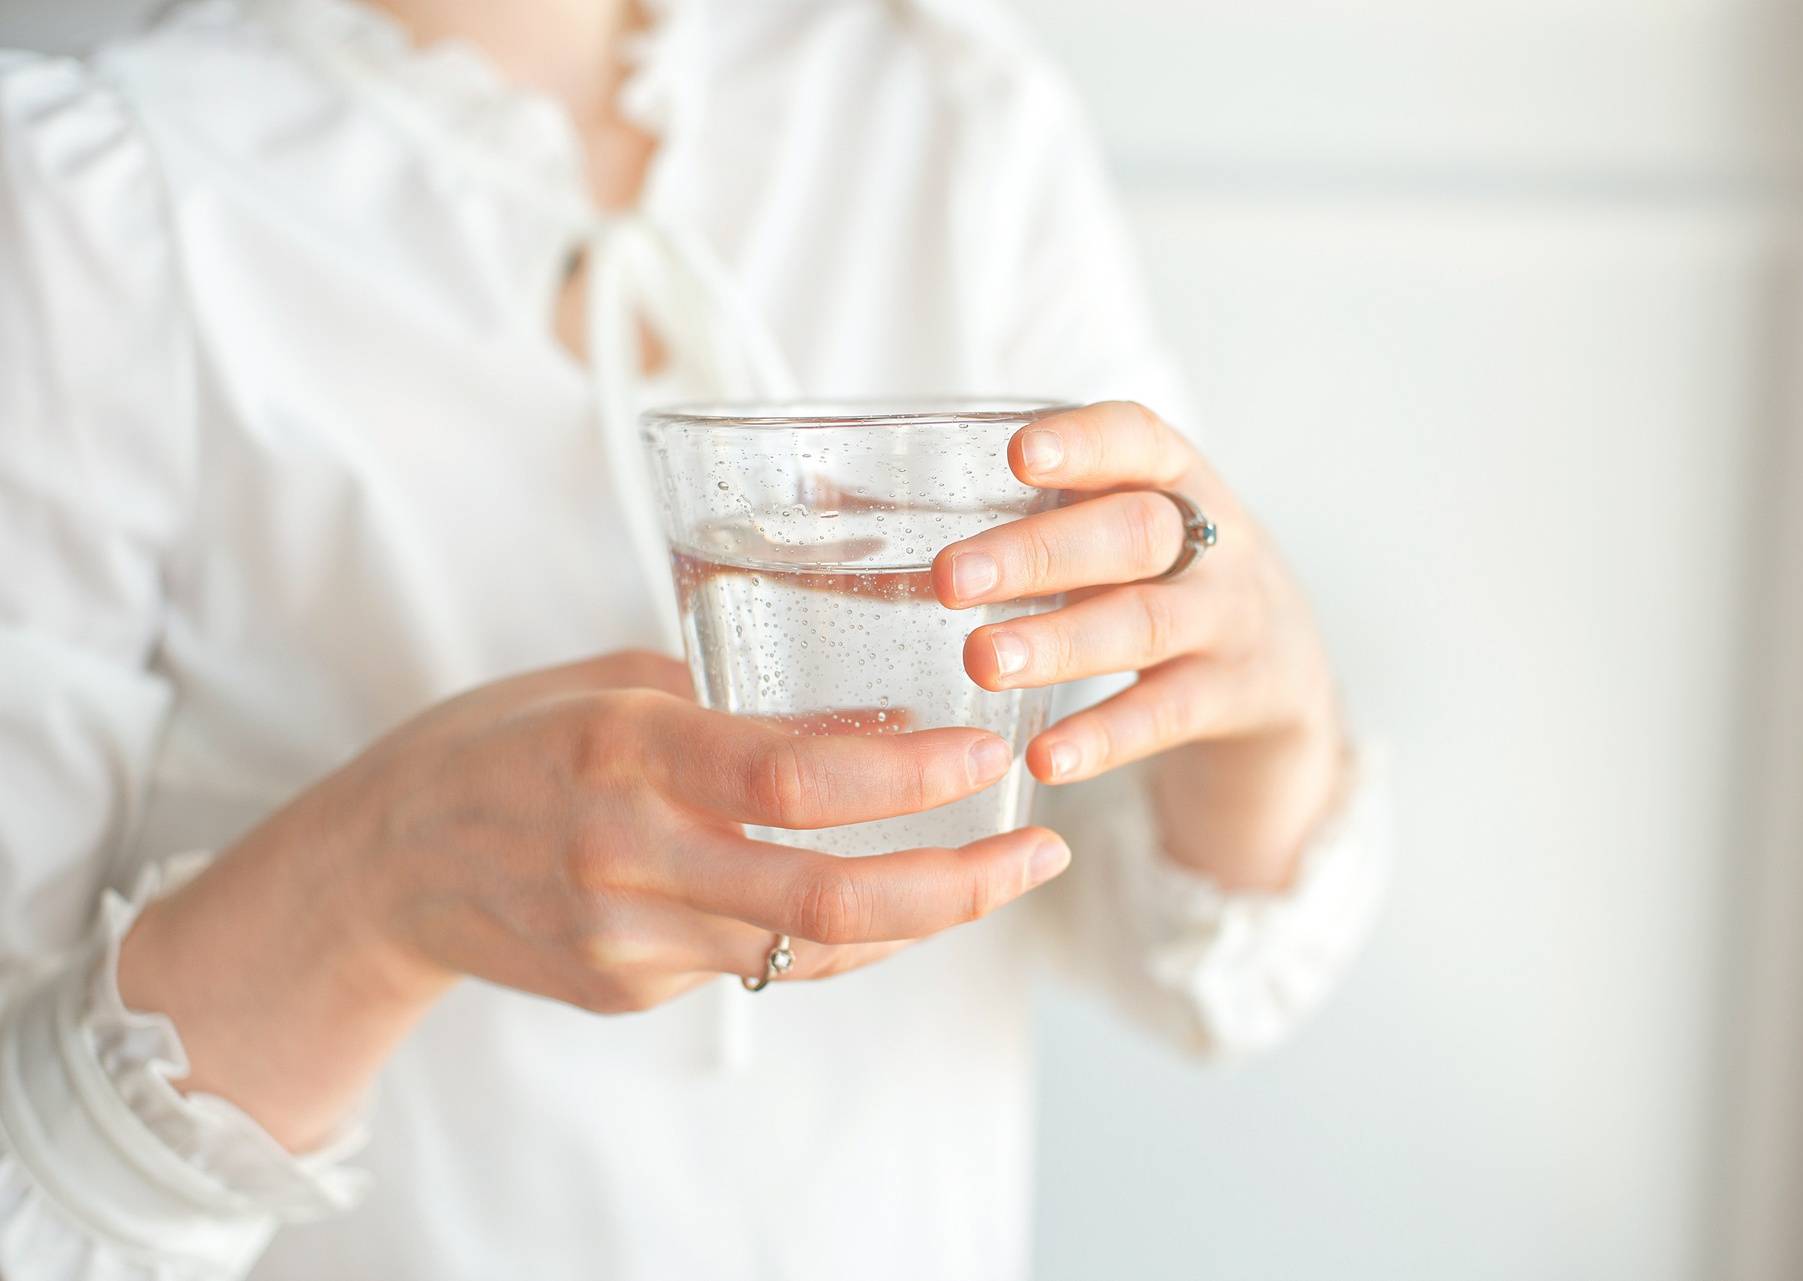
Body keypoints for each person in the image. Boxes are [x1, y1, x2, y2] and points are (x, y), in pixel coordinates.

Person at [0, 0, 1390, 1276]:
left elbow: (1178, 953)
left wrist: (1267, 712)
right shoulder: (91, 197)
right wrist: (378, 884)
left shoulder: (950, 109)